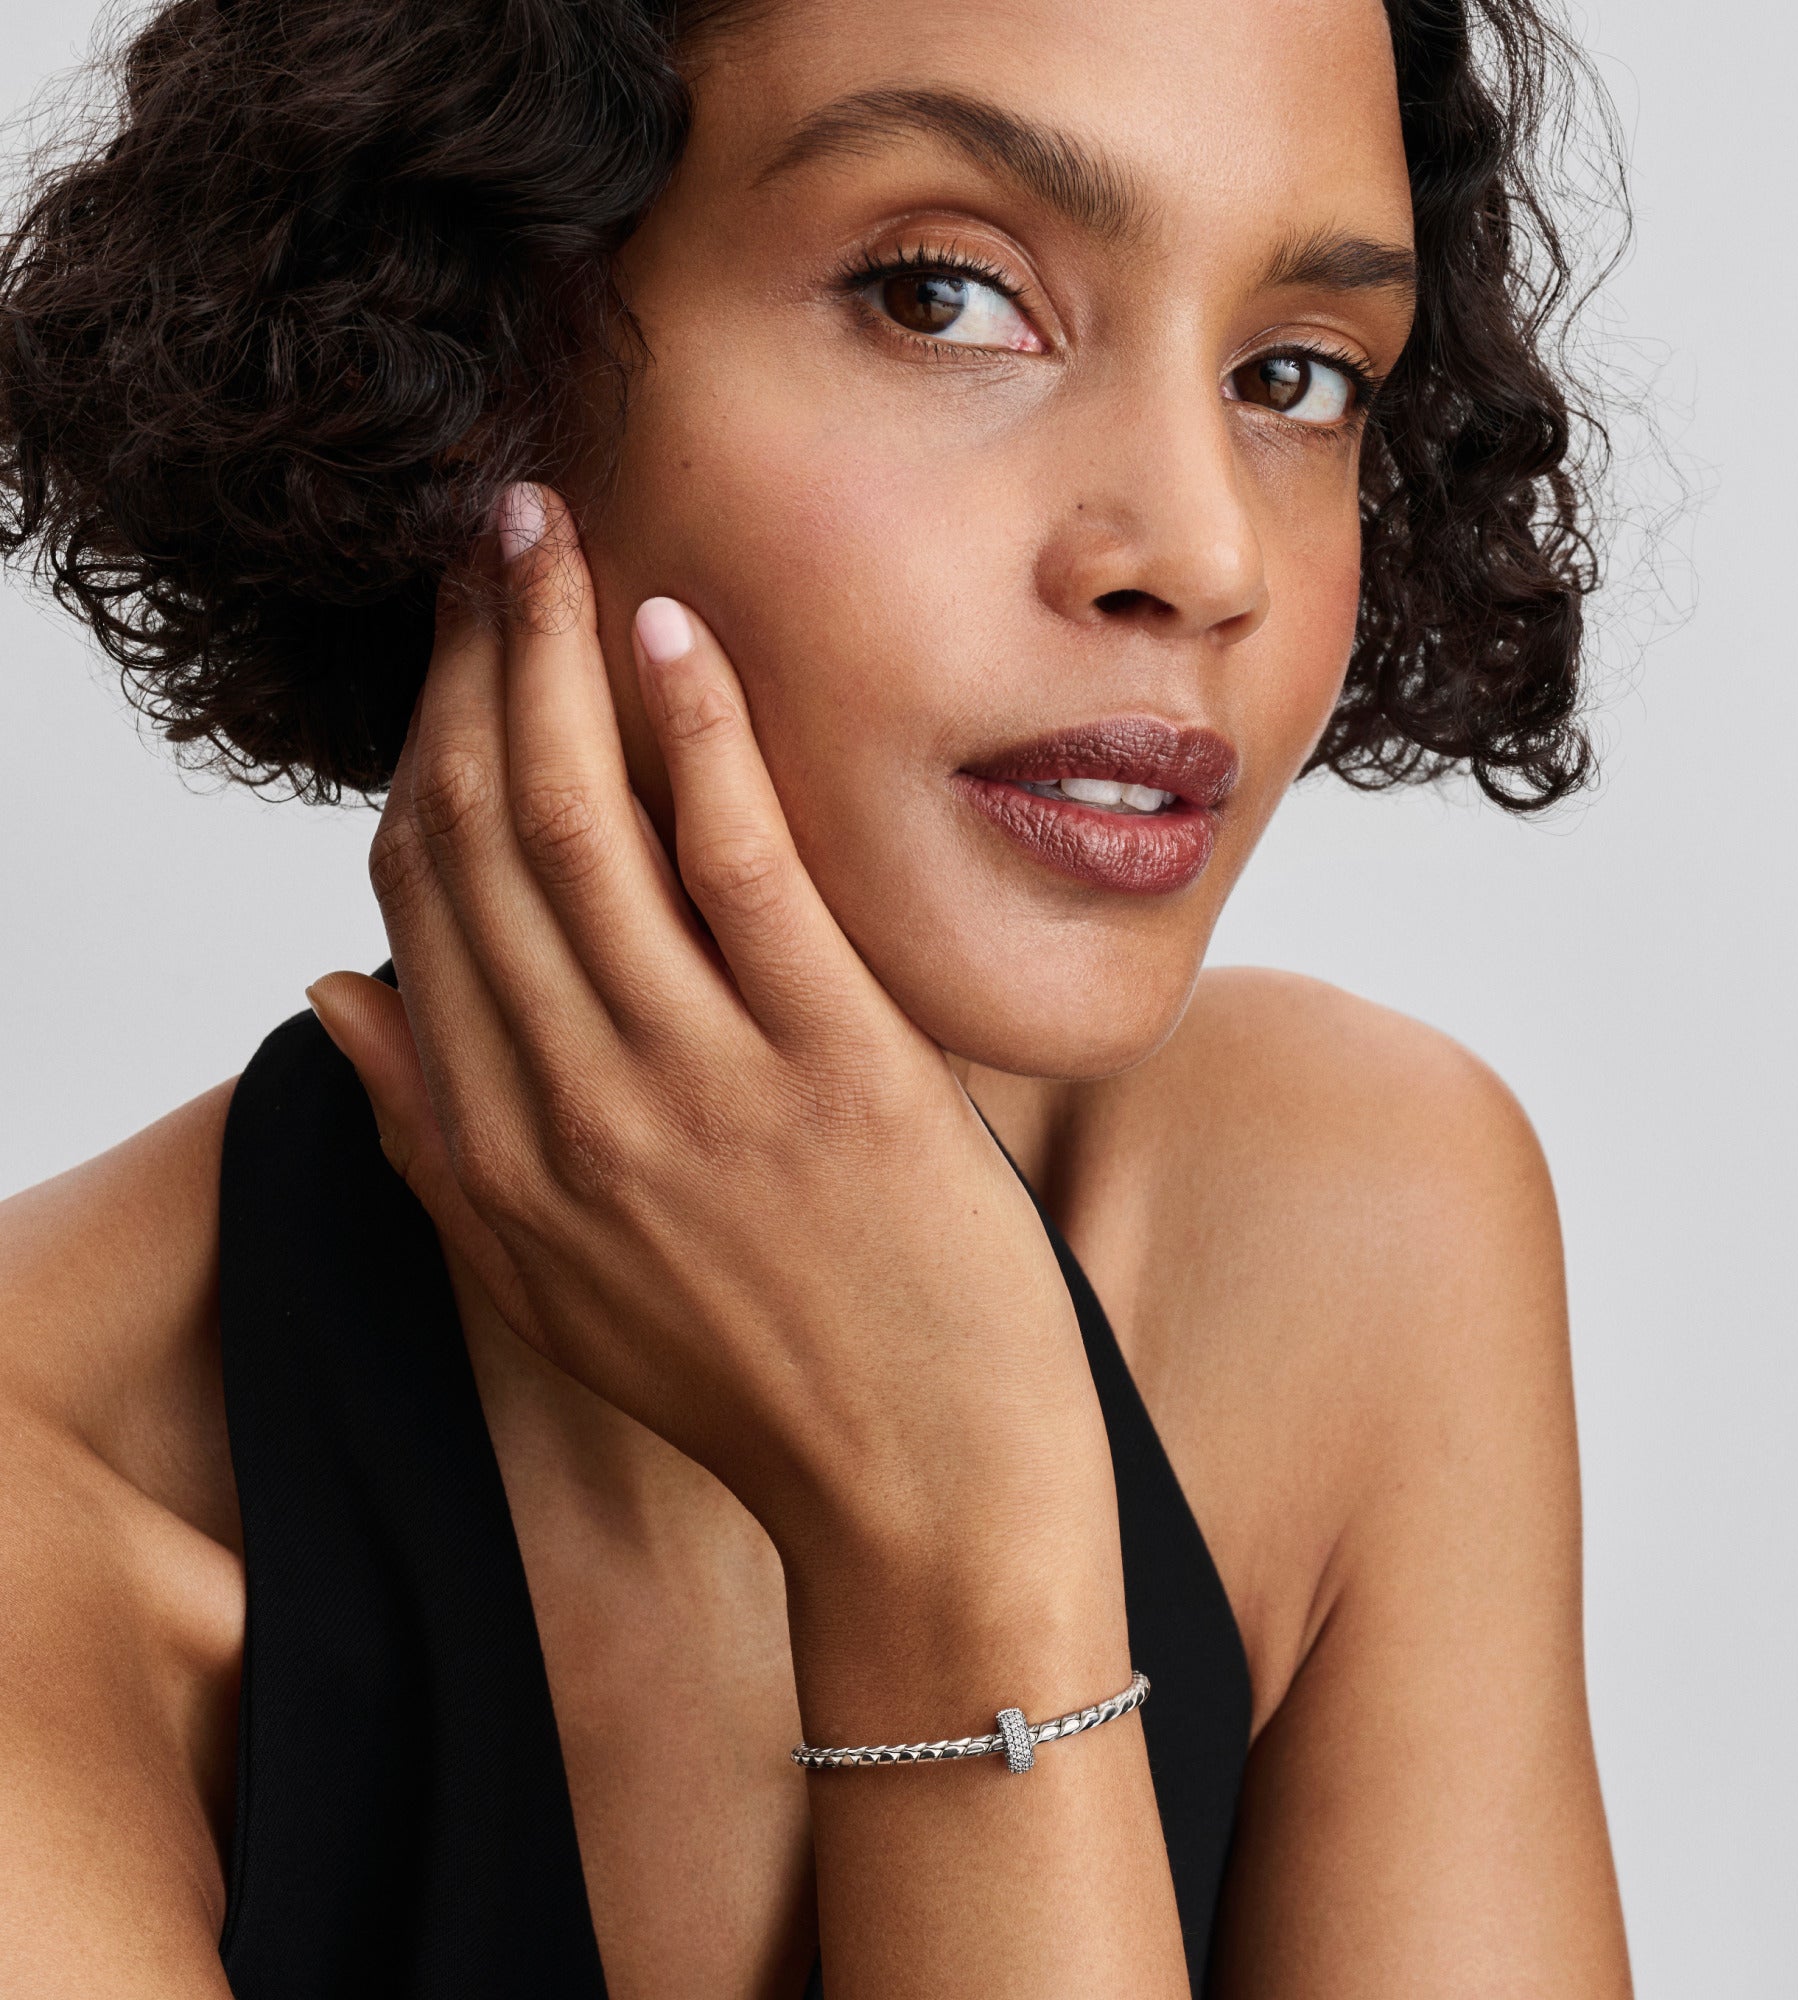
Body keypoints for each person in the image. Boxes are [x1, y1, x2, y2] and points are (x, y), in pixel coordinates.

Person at [0, 0, 1635, 1992]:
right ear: (475, 334)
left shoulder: (1350, 1236)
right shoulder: (43, 1538)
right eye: (944, 295)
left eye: (1292, 374)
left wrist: (961, 1542)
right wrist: (958, 1556)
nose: (1206, 552)